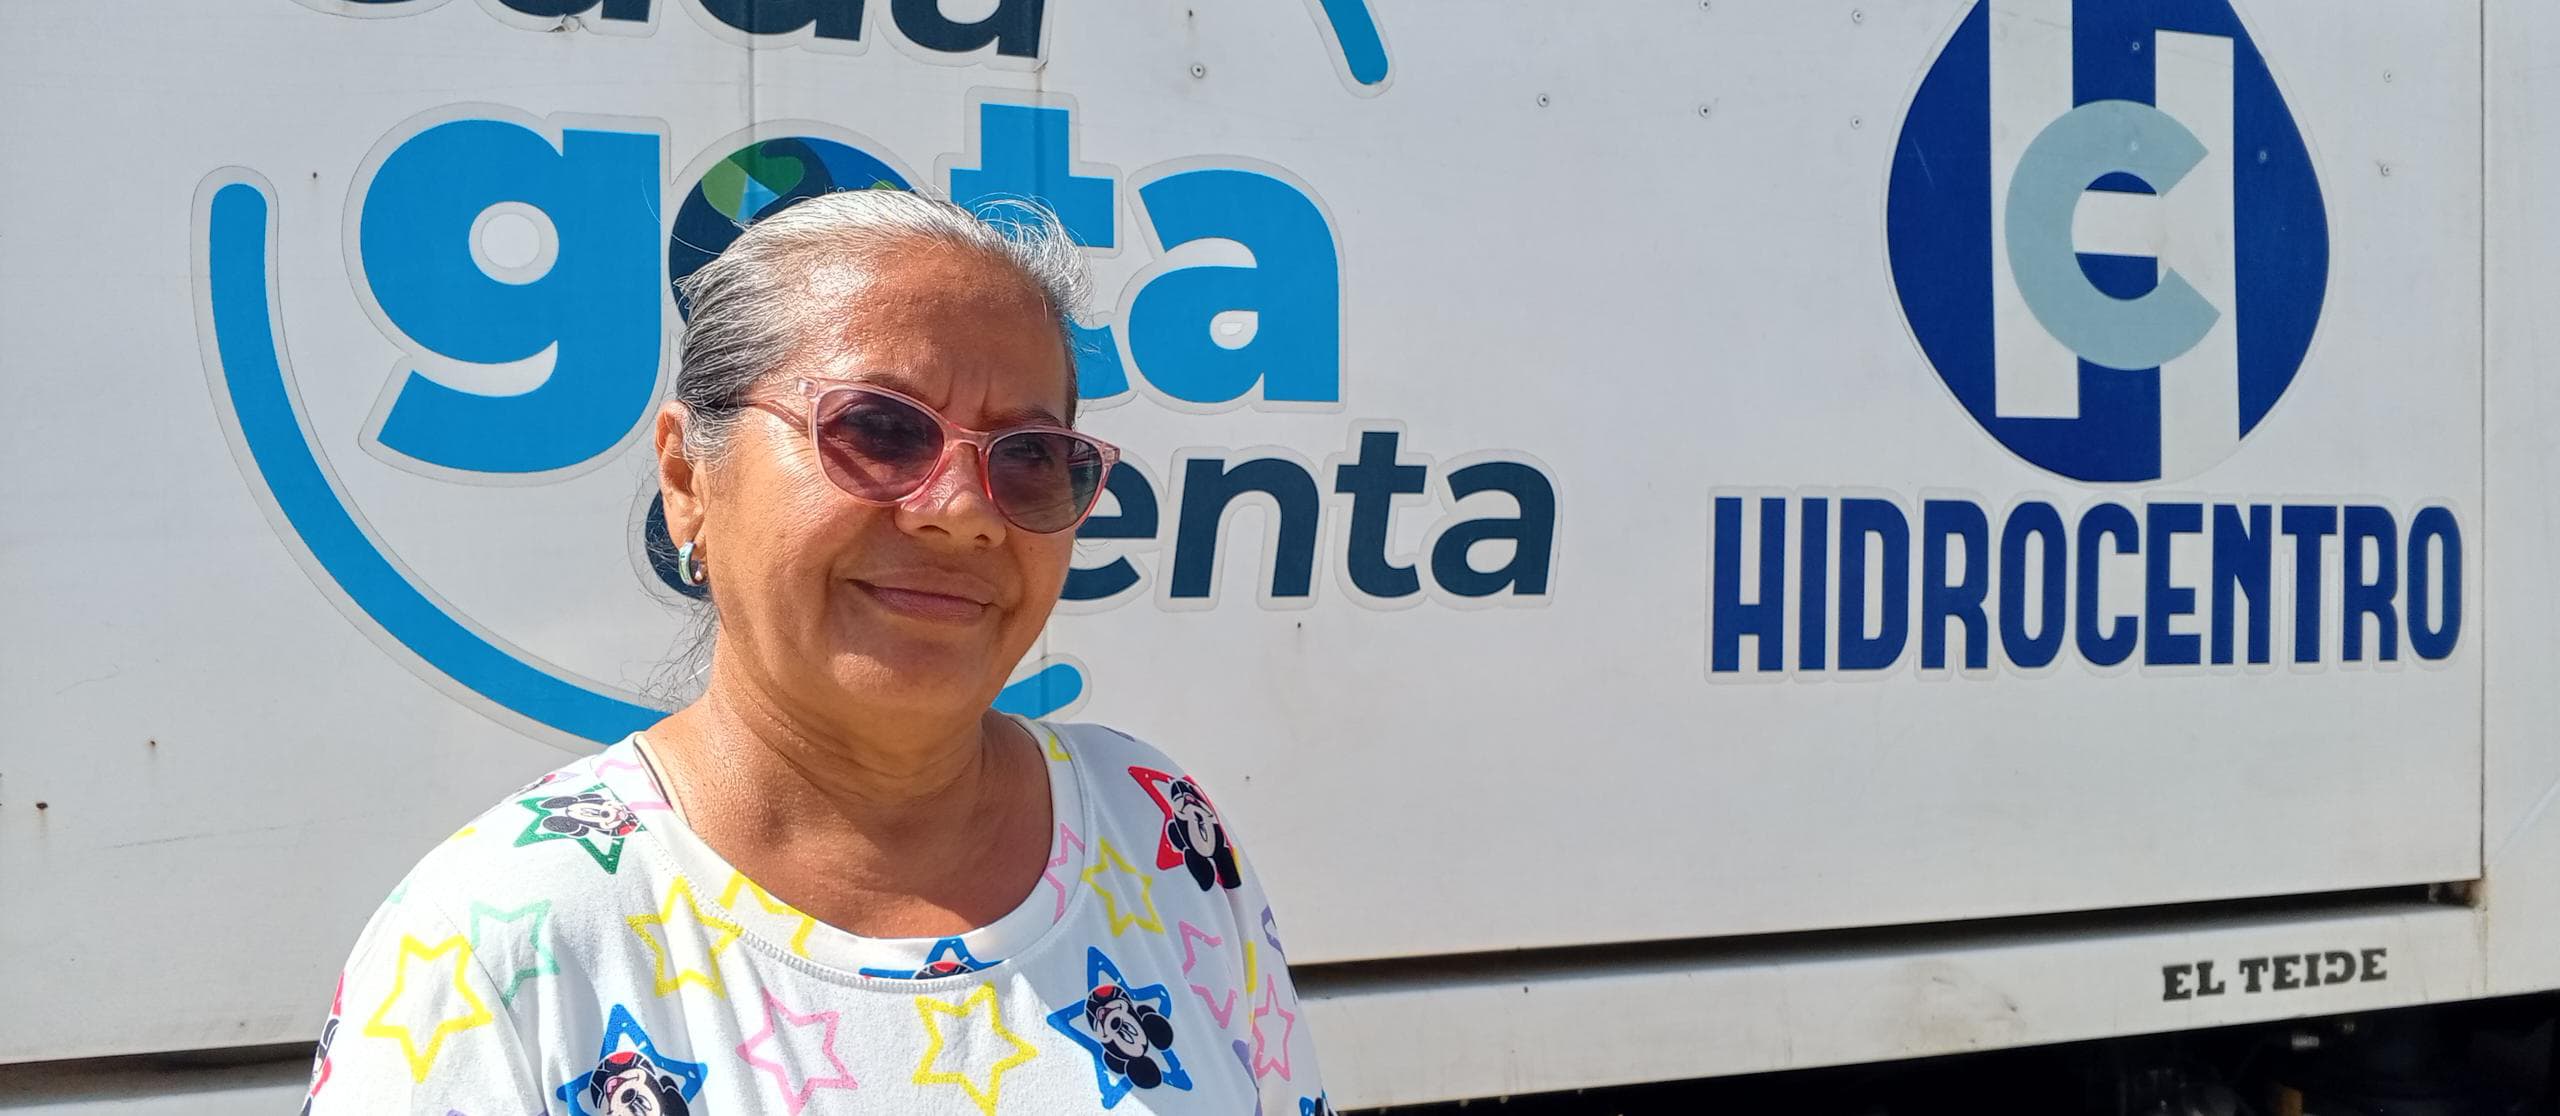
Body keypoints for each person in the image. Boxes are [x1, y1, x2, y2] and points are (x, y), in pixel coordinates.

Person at [304, 190, 1324, 1114]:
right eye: (878, 430)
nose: (964, 511)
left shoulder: (1155, 828)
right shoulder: (495, 943)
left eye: (1027, 457)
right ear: (687, 479)